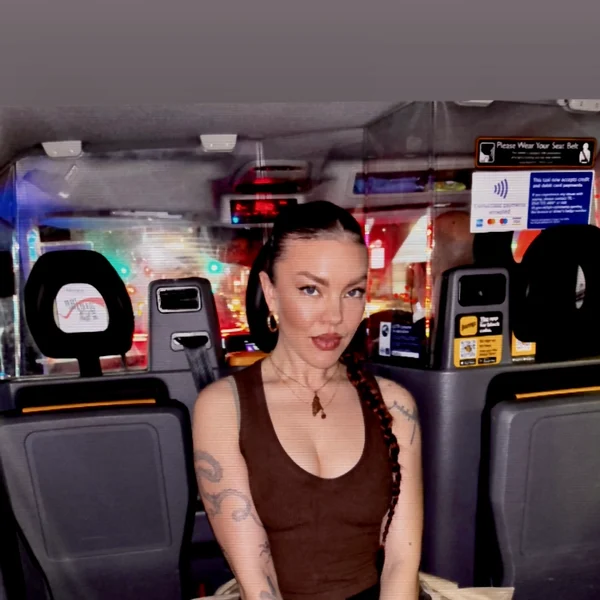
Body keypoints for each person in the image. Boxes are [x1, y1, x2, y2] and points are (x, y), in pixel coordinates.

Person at [192, 200, 424, 600]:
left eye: (352, 292)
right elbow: (257, 578)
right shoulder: (223, 408)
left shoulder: (395, 404)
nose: (334, 316)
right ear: (271, 292)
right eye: (311, 289)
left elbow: (401, 563)